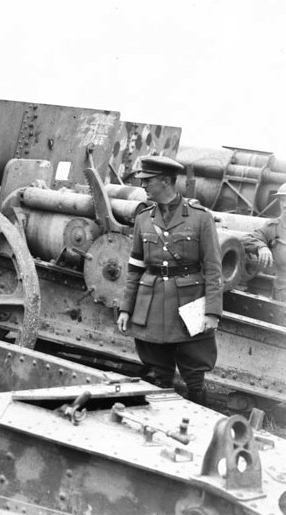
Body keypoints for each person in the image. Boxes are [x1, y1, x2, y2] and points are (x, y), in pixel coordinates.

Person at [116, 155, 223, 406]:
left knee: (194, 375)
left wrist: (212, 312)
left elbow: (213, 268)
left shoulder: (200, 218)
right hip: (151, 304)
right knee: (157, 373)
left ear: (165, 181)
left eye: (148, 180)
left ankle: (197, 419)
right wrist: (125, 308)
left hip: (188, 304)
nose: (143, 185)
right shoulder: (143, 218)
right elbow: (135, 268)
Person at [242, 183, 286, 302]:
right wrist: (261, 247)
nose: (285, 204)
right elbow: (246, 239)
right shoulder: (272, 227)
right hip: (281, 293)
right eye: (282, 200)